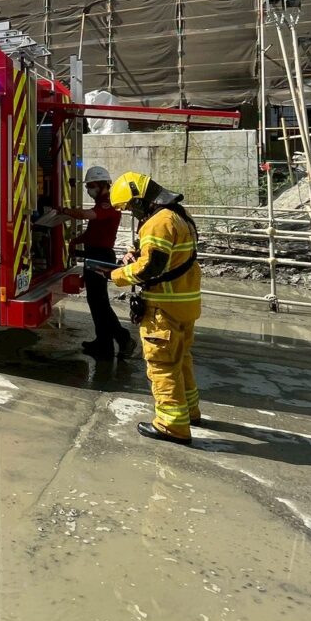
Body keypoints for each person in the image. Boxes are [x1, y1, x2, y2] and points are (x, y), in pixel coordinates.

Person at [108, 171, 201, 445]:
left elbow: (151, 268)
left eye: (128, 207)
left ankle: (172, 425)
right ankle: (190, 412)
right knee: (182, 359)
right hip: (185, 303)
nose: (130, 213)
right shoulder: (179, 215)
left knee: (162, 365)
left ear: (140, 198)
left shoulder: (158, 222)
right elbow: (168, 257)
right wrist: (135, 253)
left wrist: (117, 275)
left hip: (164, 307)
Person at [68, 165, 135, 360]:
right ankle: (103, 343)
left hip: (101, 257)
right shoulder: (101, 203)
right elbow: (91, 233)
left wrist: (63, 210)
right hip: (94, 255)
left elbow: (85, 215)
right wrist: (76, 241)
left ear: (100, 184)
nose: (89, 189)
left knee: (100, 303)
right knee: (95, 302)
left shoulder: (108, 204)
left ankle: (123, 339)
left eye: (90, 185)